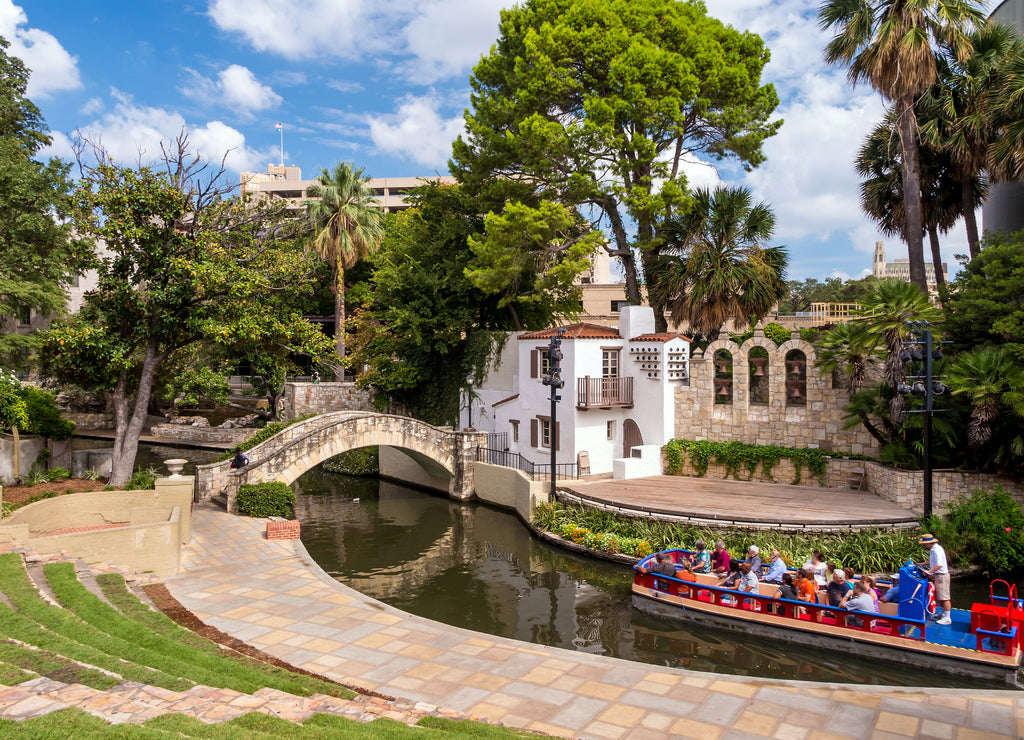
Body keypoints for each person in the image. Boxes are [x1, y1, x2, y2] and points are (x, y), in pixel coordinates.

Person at [919, 533, 951, 625]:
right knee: (941, 597)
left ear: (928, 543)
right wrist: (923, 564)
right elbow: (933, 561)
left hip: (942, 576)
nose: (924, 546)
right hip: (938, 576)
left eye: (925, 544)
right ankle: (943, 613)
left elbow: (939, 565)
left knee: (945, 597)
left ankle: (947, 618)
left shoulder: (937, 550)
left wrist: (929, 572)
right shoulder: (934, 549)